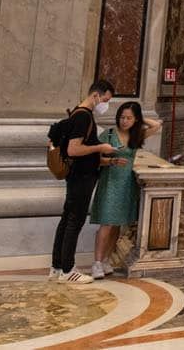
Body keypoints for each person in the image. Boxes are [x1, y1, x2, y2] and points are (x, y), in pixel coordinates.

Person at [50, 79, 118, 284]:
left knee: (67, 219)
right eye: (105, 99)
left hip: (79, 174)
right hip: (81, 177)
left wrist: (108, 160)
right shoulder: (83, 117)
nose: (105, 104)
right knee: (74, 221)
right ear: (97, 95)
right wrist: (100, 148)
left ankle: (57, 267)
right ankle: (68, 269)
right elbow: (74, 149)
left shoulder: (78, 114)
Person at [89, 101, 160, 279]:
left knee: (117, 225)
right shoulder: (109, 134)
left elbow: (157, 125)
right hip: (110, 181)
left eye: (129, 118)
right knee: (106, 222)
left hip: (126, 184)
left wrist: (141, 118)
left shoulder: (136, 136)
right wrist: (111, 161)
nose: (124, 121)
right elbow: (94, 159)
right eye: (122, 117)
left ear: (135, 120)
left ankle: (106, 259)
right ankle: (96, 262)